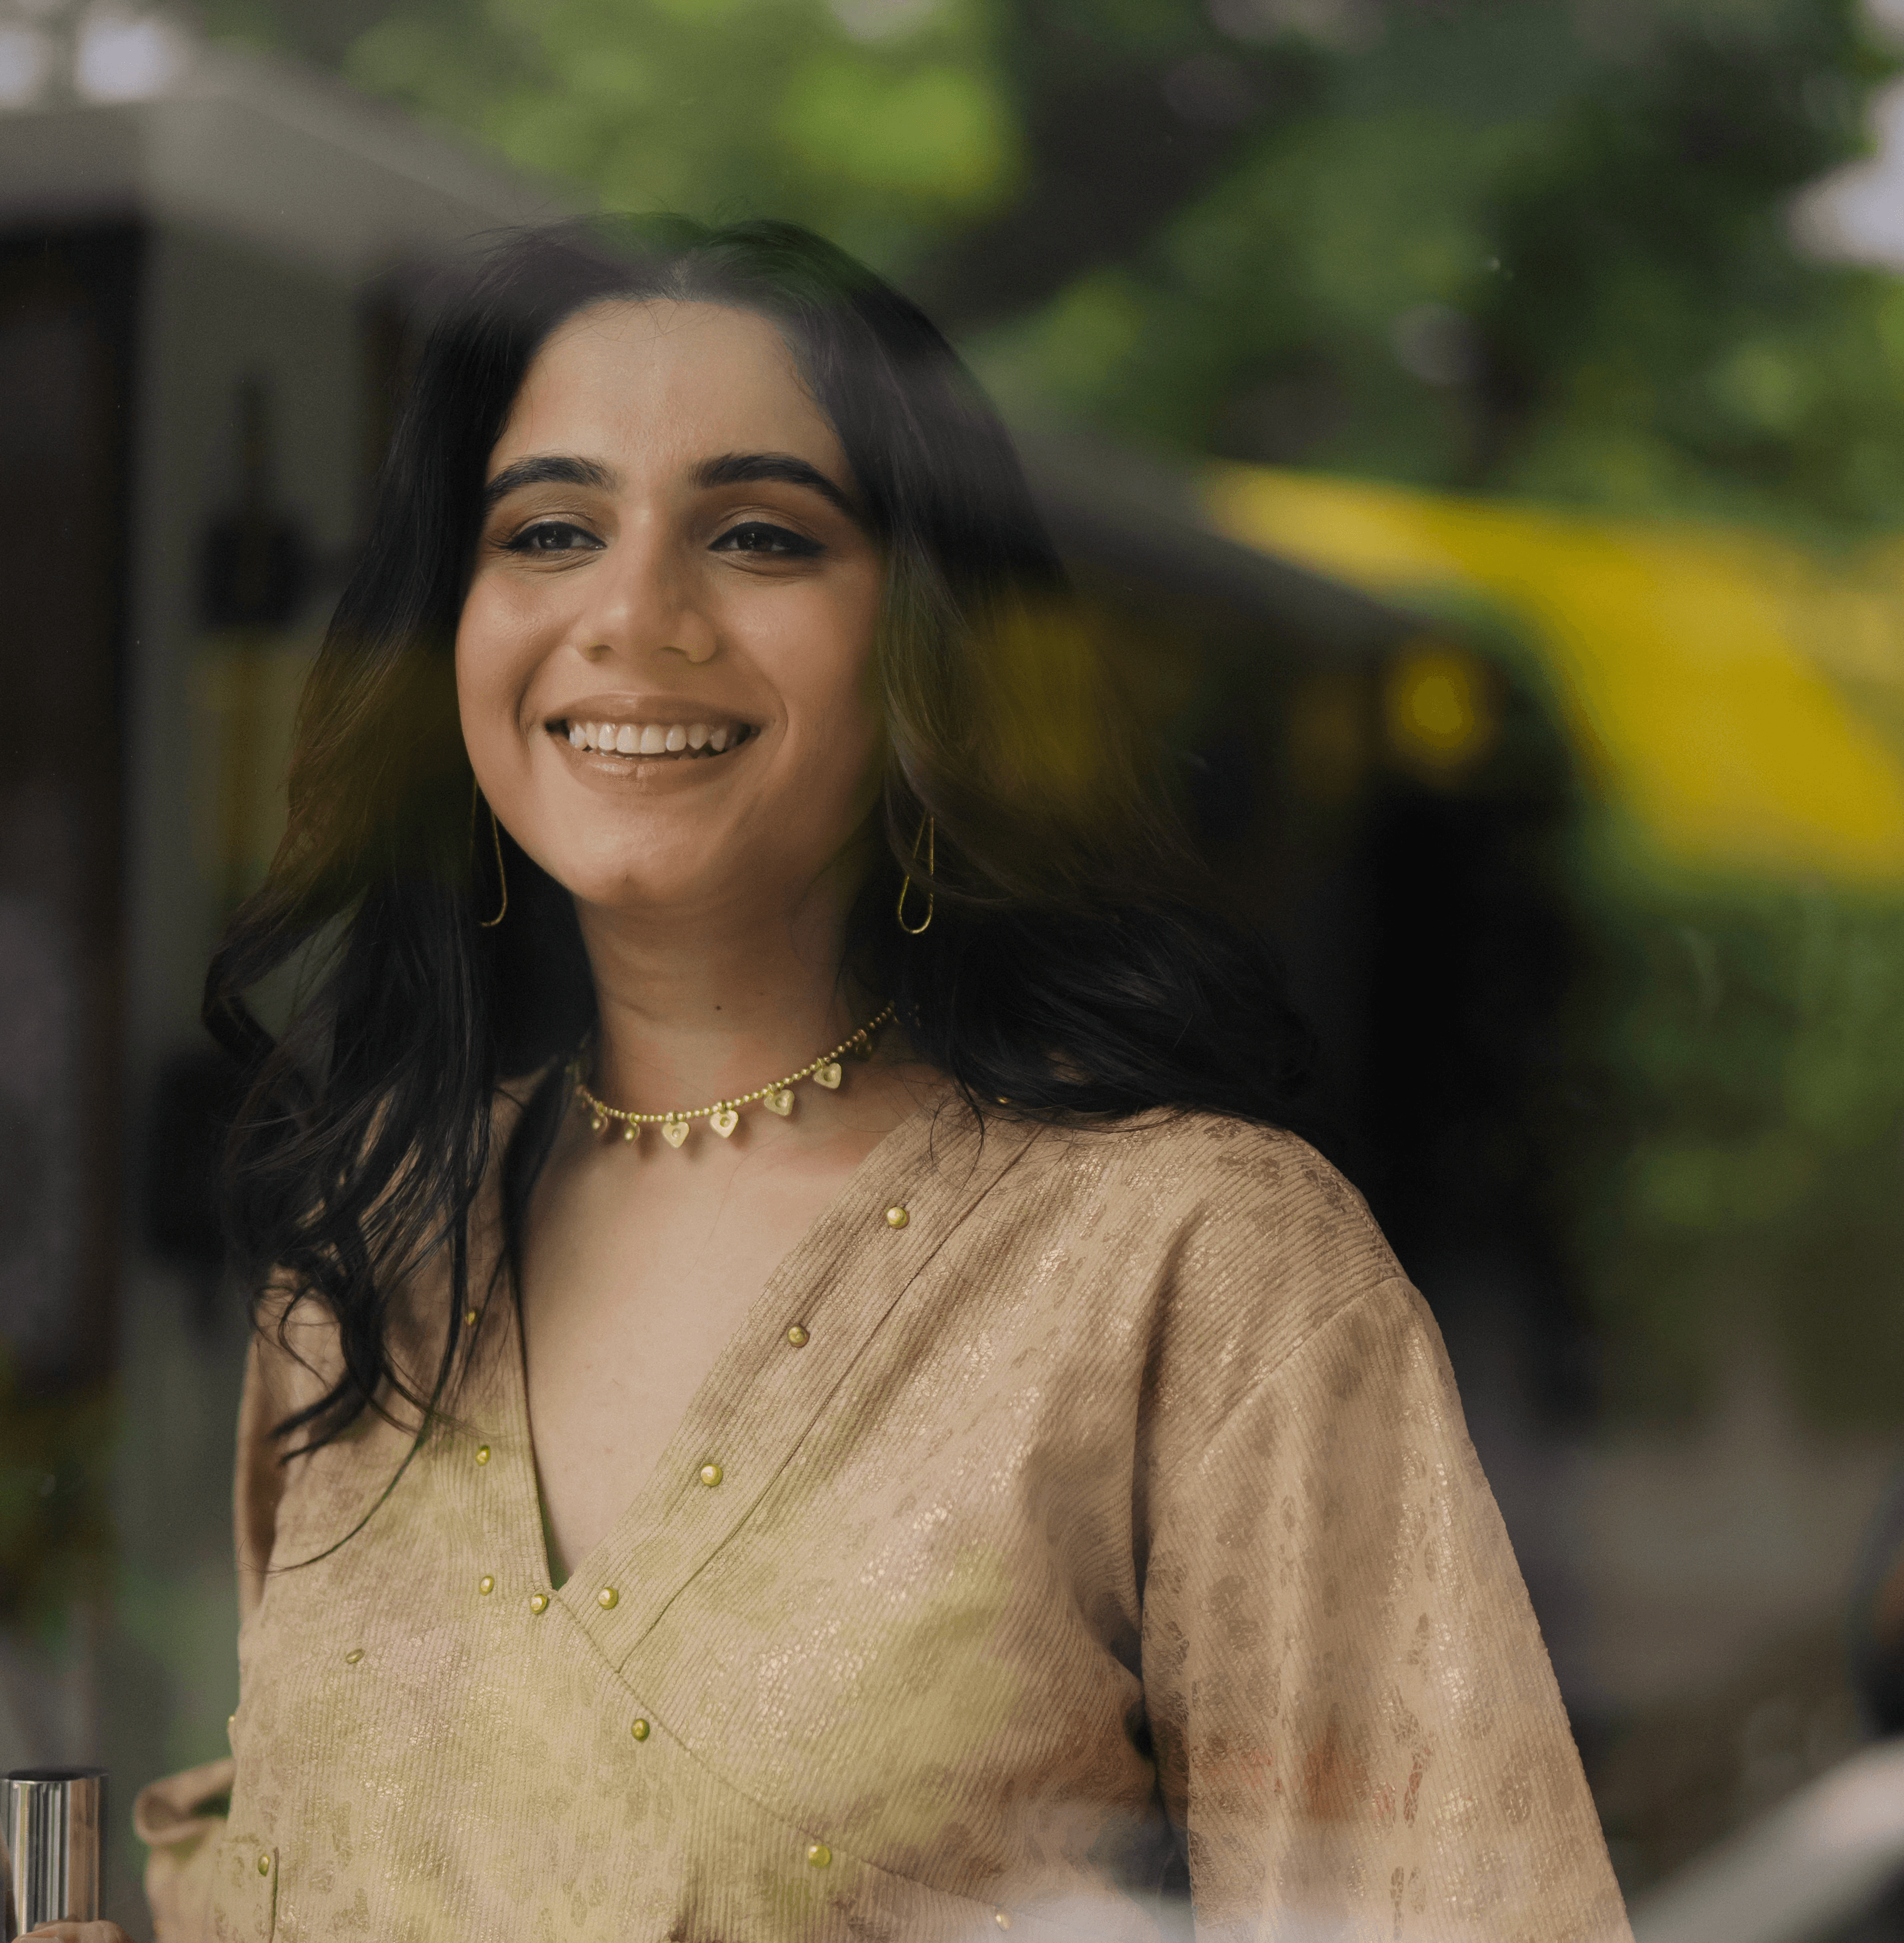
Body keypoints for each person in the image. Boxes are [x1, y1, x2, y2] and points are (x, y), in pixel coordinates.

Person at [103, 217, 1628, 1942]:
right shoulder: (375, 1249)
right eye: (547, 531)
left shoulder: (1196, 1270)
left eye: (759, 535)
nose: (634, 615)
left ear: (927, 646)